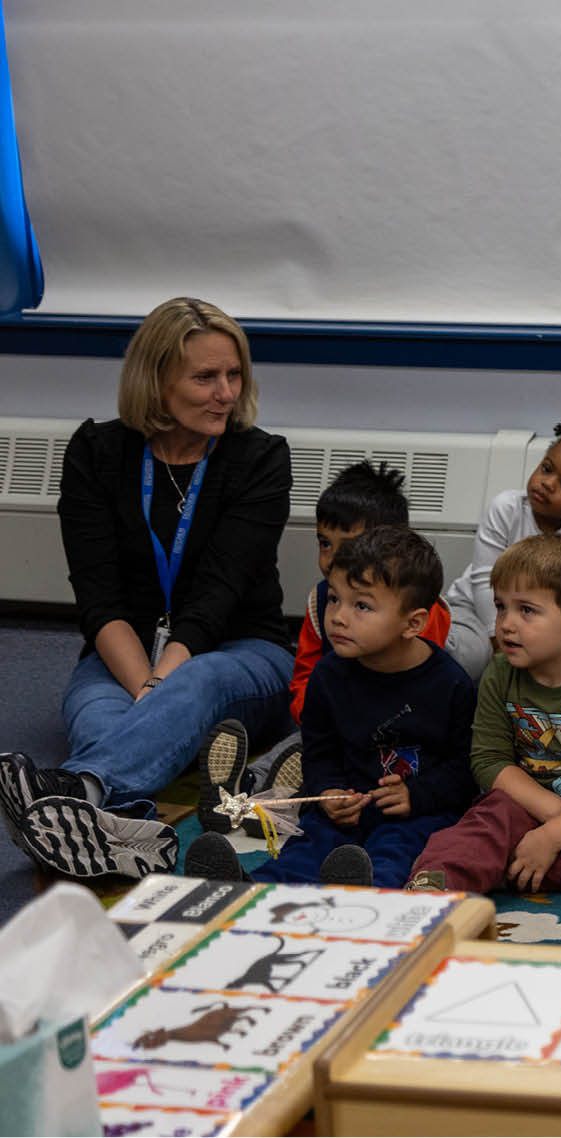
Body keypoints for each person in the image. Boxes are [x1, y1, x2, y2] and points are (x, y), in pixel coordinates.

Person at [1, 298, 293, 880]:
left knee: (197, 681)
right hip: (123, 652)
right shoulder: (96, 453)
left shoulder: (261, 458)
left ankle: (78, 786)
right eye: (205, 377)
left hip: (239, 652)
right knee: (95, 713)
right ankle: (125, 837)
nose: (226, 392)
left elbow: (217, 597)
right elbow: (98, 598)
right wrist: (148, 688)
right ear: (156, 382)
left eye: (234, 375)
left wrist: (162, 684)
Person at [184, 527, 477, 888]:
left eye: (362, 606)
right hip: (345, 812)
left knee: (398, 851)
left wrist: (416, 796)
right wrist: (327, 792)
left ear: (413, 623)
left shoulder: (452, 684)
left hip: (416, 813)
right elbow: (319, 752)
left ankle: (366, 895)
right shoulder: (328, 675)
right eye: (335, 598)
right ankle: (248, 890)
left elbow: (465, 770)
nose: (338, 616)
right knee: (307, 844)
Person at [195, 461, 456, 839]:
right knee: (298, 748)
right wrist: (316, 707)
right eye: (324, 543)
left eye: (348, 547)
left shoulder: (418, 612)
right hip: (333, 717)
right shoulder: (324, 601)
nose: (332, 559)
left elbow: (423, 685)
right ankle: (236, 797)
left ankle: (269, 802)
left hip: (389, 734)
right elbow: (305, 671)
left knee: (319, 766)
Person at [405, 533, 561, 893]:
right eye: (501, 606)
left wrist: (554, 836)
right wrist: (552, 814)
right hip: (524, 801)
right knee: (485, 823)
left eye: (526, 610)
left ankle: (501, 869)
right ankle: (435, 884)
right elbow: (490, 761)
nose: (506, 623)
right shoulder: (499, 674)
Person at [444, 420, 561, 680]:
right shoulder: (506, 508)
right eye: (546, 469)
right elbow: (483, 578)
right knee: (471, 658)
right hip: (474, 610)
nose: (547, 483)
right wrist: (497, 637)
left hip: (538, 623)